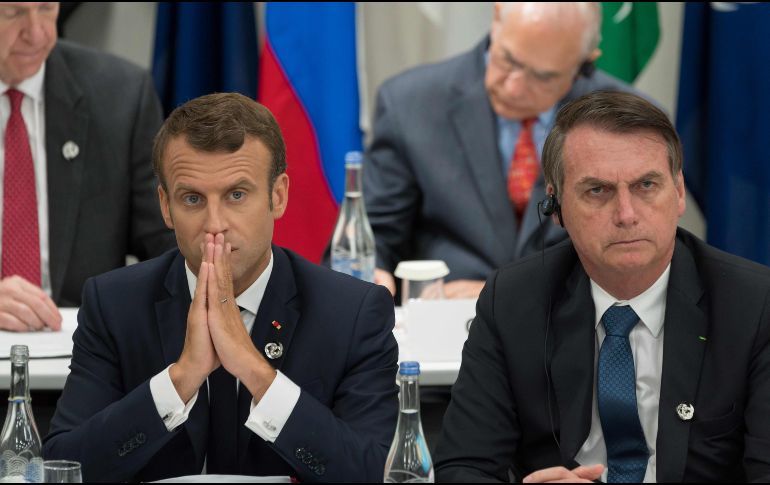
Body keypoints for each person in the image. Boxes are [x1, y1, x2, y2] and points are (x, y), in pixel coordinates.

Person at [43, 93, 399, 482]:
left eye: (236, 195)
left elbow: (375, 473)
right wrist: (181, 379)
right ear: (165, 206)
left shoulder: (352, 313)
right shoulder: (113, 305)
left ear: (278, 196)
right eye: (192, 198)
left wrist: (255, 371)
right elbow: (63, 468)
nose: (215, 224)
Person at [433, 91, 770, 482]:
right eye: (598, 191)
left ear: (678, 192)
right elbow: (463, 465)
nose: (626, 215)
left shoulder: (754, 304)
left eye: (646, 185)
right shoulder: (511, 300)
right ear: (556, 207)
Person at [364, 2, 641, 299]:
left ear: (585, 62)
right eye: (508, 60)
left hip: (573, 319)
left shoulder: (632, 126)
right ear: (496, 19)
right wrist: (371, 273)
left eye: (543, 77)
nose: (514, 88)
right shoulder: (409, 103)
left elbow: (639, 258)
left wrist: (503, 295)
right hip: (442, 315)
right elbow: (374, 238)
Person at [0, 2, 175, 331]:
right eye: (14, 13)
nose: (37, 33)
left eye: (46, 8)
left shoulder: (120, 96)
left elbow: (169, 243)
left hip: (86, 344)